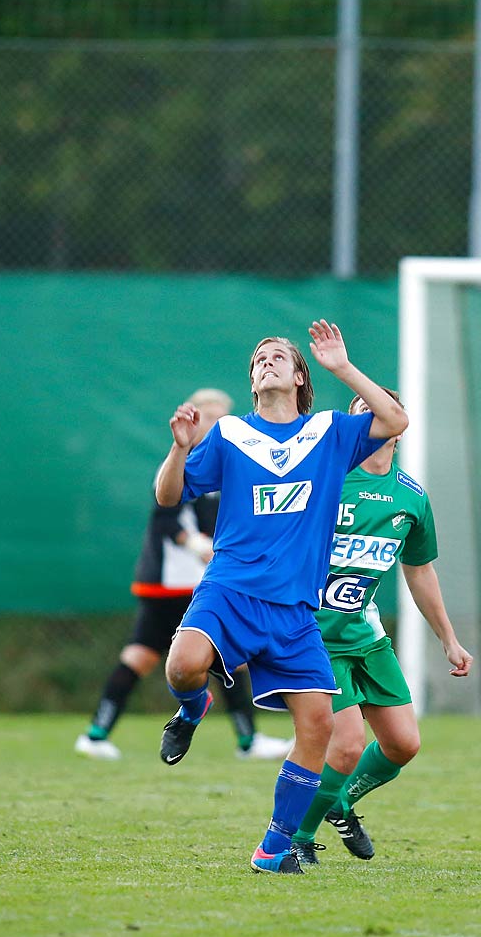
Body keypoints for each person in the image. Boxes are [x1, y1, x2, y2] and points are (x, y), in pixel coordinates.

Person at [153, 321, 406, 874]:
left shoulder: (329, 432)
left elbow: (394, 420)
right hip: (230, 589)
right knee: (182, 667)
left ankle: (273, 848)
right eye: (257, 359)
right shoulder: (229, 436)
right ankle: (193, 709)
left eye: (277, 357)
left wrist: (342, 365)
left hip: (294, 610)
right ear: (252, 382)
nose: (265, 362)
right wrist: (178, 450)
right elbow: (168, 494)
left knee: (317, 727)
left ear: (298, 377)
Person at [288, 391, 472, 867]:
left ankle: (339, 802)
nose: (368, 423)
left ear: (399, 424)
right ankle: (297, 840)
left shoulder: (410, 495)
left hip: (366, 639)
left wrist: (448, 639)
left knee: (403, 744)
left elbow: (420, 570)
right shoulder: (326, 480)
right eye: (359, 416)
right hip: (315, 637)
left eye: (378, 413)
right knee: (346, 744)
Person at [75, 388, 291, 762]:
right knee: (153, 657)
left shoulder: (226, 465)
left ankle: (97, 734)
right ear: (192, 420)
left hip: (200, 583)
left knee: (197, 658)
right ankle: (98, 734)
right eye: (208, 416)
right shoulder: (180, 462)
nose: (216, 424)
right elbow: (168, 517)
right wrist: (199, 546)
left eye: (222, 417)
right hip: (170, 585)